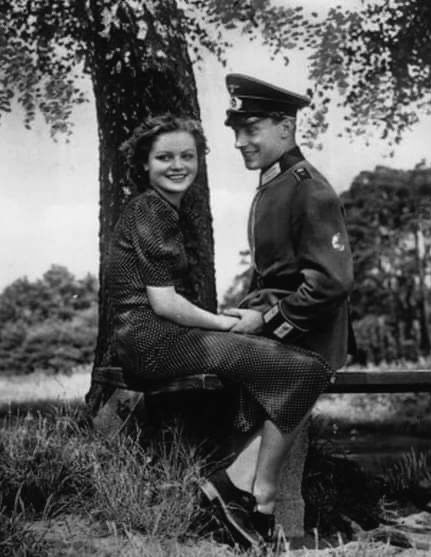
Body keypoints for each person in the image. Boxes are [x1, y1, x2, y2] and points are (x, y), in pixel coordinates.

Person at [107, 113, 334, 549]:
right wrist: (228, 324)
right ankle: (250, 492)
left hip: (150, 341)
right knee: (308, 370)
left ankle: (230, 487)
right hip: (154, 344)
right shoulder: (152, 211)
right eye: (164, 157)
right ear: (144, 164)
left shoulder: (157, 209)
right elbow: (165, 303)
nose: (177, 165)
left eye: (187, 156)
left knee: (280, 367)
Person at [219, 72, 355, 537]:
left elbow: (331, 283)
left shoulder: (307, 187)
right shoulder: (273, 184)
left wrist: (267, 319)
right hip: (289, 326)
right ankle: (244, 492)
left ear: (285, 127)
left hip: (312, 335)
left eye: (250, 128)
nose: (239, 141)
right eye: (236, 130)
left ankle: (252, 493)